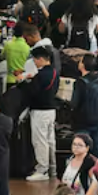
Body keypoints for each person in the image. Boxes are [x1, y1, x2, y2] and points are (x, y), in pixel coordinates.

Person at [25, 45, 60, 182]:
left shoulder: (40, 75)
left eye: (35, 60)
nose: (34, 62)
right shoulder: (54, 72)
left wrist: (27, 82)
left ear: (40, 59)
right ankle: (52, 168)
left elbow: (32, 92)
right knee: (50, 140)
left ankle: (42, 169)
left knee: (39, 141)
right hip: (51, 111)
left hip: (40, 111)